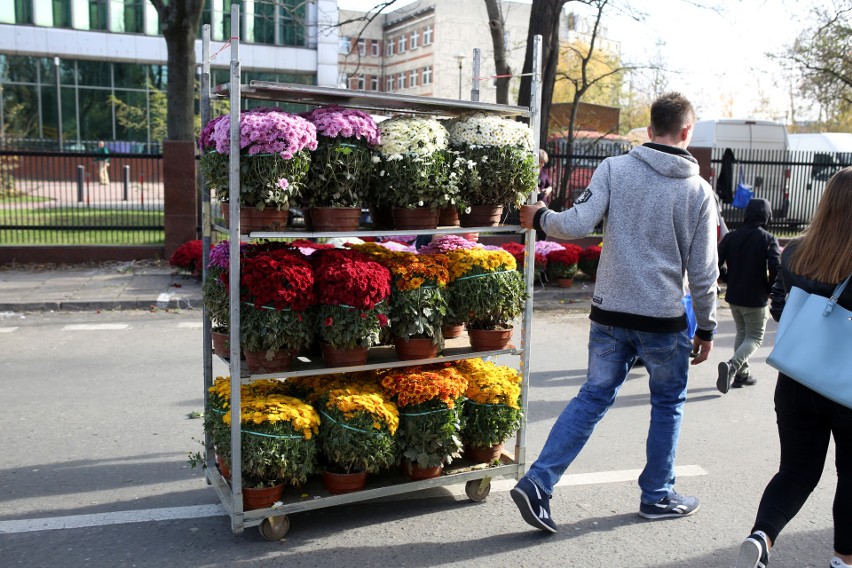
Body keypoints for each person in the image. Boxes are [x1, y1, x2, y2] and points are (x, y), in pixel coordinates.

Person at [512, 92, 719, 533]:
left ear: (649, 130)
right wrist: (706, 326)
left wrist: (540, 217)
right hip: (663, 319)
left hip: (609, 313)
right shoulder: (698, 191)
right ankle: (657, 495)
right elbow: (703, 273)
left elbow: (575, 224)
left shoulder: (614, 168)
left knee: (592, 397)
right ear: (687, 132)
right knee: (667, 402)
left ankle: (538, 482)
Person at [734, 167, 852, 568]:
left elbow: (781, 306)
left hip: (798, 377)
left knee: (796, 471)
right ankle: (842, 559)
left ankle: (762, 536)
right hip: (849, 386)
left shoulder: (797, 251)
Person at [715, 198, 781, 393]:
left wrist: (727, 278)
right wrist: (770, 289)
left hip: (734, 297)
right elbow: (776, 268)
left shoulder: (731, 238)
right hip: (755, 298)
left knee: (743, 334)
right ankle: (733, 367)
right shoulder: (768, 239)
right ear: (767, 216)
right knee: (755, 337)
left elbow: (715, 262)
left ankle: (742, 375)